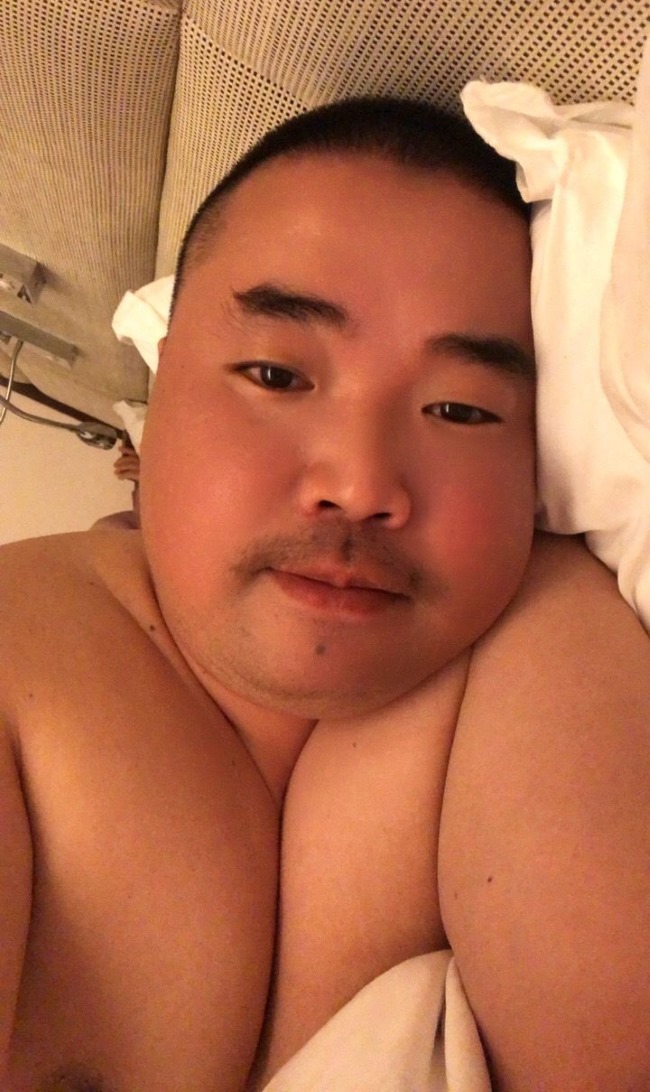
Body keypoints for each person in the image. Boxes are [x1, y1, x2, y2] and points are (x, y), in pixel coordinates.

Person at [1, 98, 649, 1092]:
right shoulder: (24, 678)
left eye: (459, 409)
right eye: (275, 373)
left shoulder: (532, 630)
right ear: (159, 391)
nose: (359, 482)